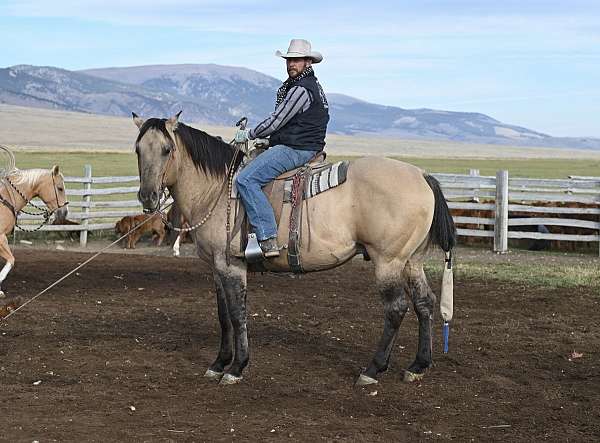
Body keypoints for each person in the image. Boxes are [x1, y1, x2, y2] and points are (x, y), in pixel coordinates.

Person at [235, 39, 330, 258]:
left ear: (307, 62)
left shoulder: (300, 89)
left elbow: (278, 120)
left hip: (298, 148)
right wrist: (269, 141)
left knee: (246, 179)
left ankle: (267, 238)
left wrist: (249, 134)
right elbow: (294, 123)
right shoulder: (311, 86)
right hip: (303, 144)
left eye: (296, 60)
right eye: (288, 60)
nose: (291, 64)